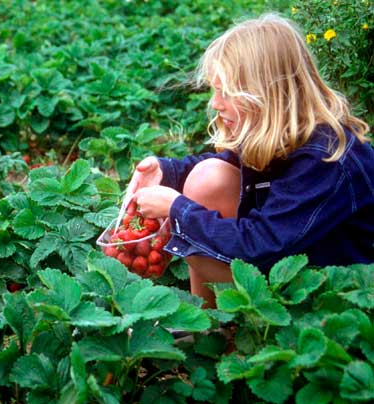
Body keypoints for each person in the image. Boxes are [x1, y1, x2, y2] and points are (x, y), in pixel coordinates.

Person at [129, 14, 374, 308]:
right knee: (208, 176)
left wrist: (177, 210)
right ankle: (208, 325)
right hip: (293, 257)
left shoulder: (325, 158)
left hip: (334, 293)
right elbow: (228, 162)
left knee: (194, 222)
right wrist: (165, 172)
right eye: (215, 90)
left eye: (228, 93)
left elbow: (259, 245)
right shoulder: (282, 130)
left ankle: (237, 329)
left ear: (268, 95)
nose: (215, 103)